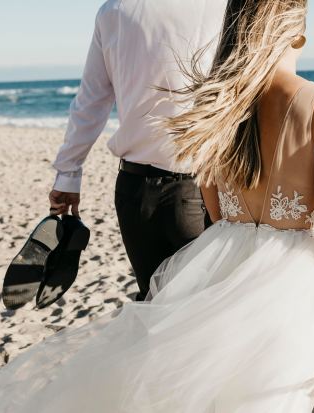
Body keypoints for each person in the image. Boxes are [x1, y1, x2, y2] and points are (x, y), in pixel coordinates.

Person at [0, 1, 314, 411]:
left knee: (189, 365)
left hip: (199, 239)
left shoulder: (215, 102)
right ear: (299, 35)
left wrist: (69, 173)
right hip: (291, 278)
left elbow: (209, 198)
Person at [48, 0, 228, 300]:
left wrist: (68, 175)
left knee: (153, 305)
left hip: (134, 191)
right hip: (202, 187)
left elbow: (91, 102)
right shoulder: (224, 6)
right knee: (203, 311)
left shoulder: (113, 11)